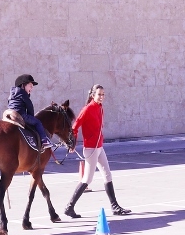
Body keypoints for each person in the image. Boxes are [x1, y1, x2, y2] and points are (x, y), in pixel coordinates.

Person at [64, 84, 131, 217]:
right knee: (87, 179)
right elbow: (75, 127)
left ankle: (115, 207)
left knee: (107, 175)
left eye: (103, 94)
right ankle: (69, 207)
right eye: (99, 94)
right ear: (92, 95)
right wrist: (72, 143)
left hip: (99, 147)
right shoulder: (87, 109)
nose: (101, 97)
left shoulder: (100, 108)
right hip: (91, 149)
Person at [7, 74, 53, 150]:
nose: (32, 88)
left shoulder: (12, 94)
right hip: (21, 115)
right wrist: (31, 116)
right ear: (23, 85)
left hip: (10, 114)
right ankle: (44, 140)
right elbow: (30, 107)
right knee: (37, 122)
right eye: (30, 86)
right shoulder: (23, 94)